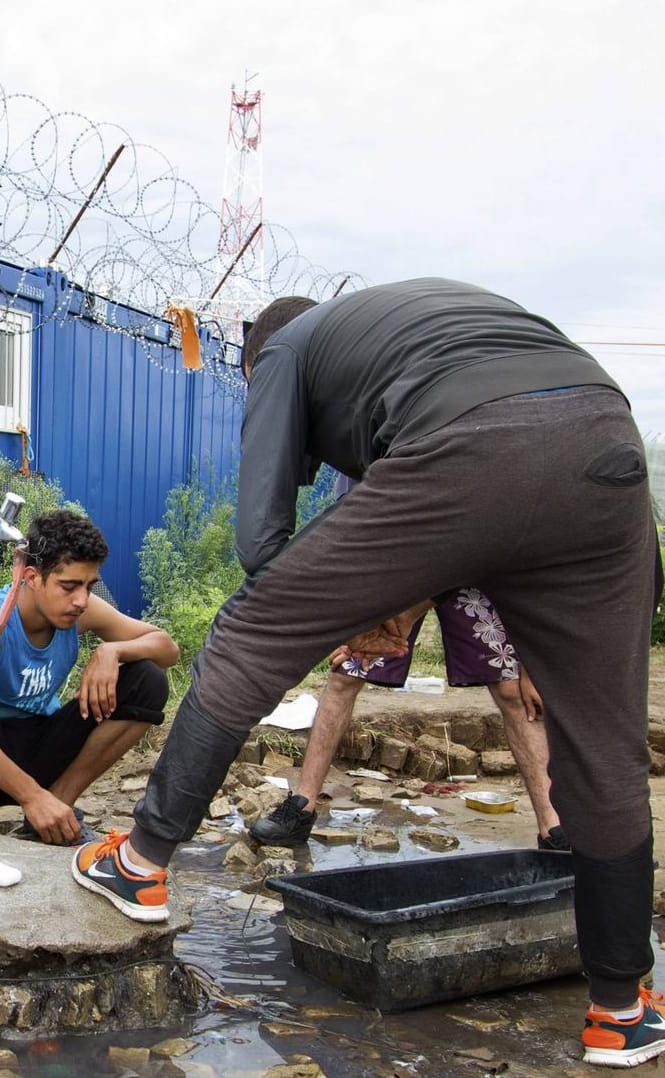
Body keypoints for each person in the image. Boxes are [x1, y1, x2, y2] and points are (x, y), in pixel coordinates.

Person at [71, 279, 662, 1067]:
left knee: (248, 629)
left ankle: (138, 862)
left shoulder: (282, 345)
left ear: (255, 365)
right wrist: (385, 590)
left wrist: (325, 608)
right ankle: (620, 1010)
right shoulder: (411, 329)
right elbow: (475, 521)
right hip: (603, 441)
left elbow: (261, 540)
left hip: (475, 437)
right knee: (605, 742)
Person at [251, 586, 566, 851]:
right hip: (408, 566)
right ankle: (301, 809)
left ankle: (553, 829)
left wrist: (531, 657)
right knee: (347, 671)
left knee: (513, 688)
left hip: (475, 565)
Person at [0, 508, 179, 845]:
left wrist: (113, 651)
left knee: (148, 679)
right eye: (69, 586)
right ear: (32, 577)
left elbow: (167, 647)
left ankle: (59, 804)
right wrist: (30, 796)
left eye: (89, 585)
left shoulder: (83, 610)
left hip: (42, 746)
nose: (81, 600)